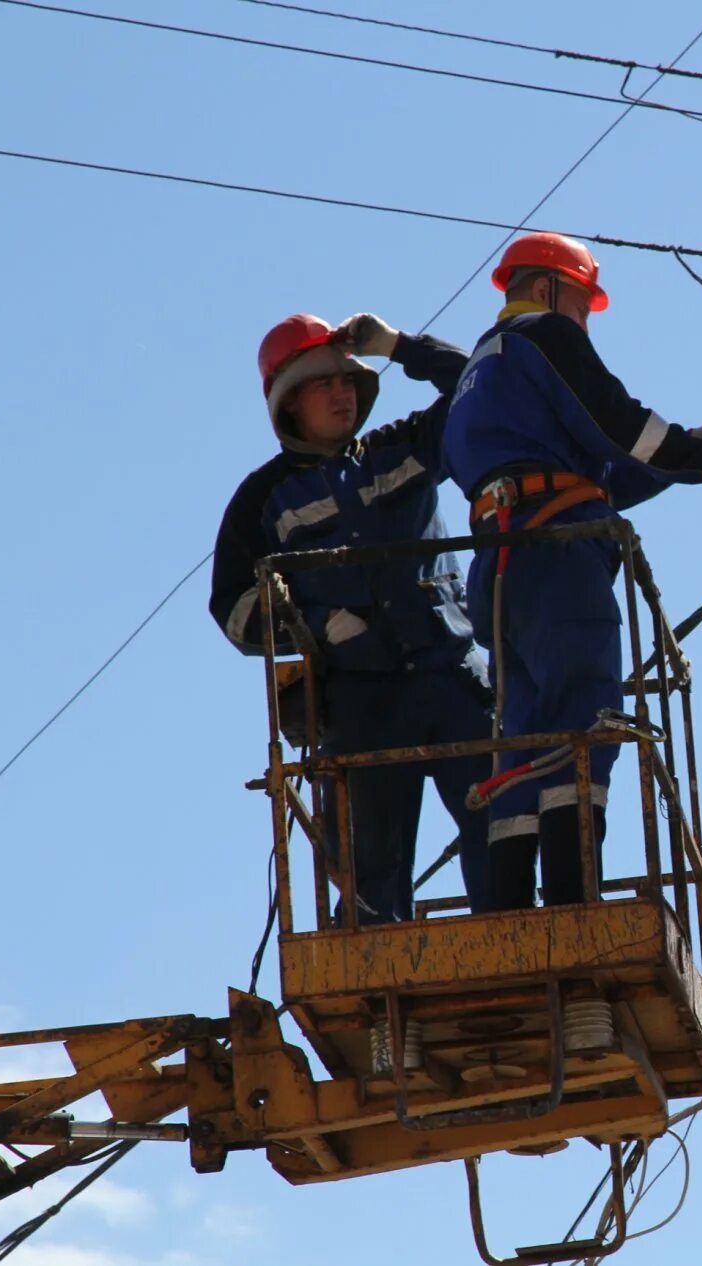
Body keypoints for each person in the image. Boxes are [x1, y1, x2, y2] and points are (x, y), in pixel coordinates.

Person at [441, 232, 702, 911]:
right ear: (545, 289)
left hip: (501, 565)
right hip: (560, 560)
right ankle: (574, 904)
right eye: (582, 302)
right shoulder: (545, 336)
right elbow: (621, 423)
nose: (586, 319)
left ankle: (509, 907)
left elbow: (599, 474)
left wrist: (697, 454)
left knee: (522, 736)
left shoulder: (478, 375)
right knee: (585, 721)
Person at [210, 311, 493, 924]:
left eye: (349, 381)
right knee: (370, 867)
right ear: (289, 403)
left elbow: (485, 386)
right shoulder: (263, 500)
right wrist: (313, 625)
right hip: (364, 702)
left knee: (501, 828)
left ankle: (523, 949)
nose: (343, 393)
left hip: (454, 679)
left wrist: (400, 347)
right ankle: (387, 1008)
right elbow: (233, 610)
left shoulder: (403, 446)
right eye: (324, 384)